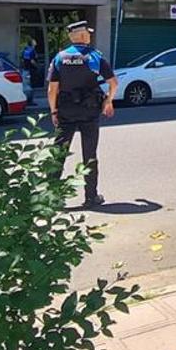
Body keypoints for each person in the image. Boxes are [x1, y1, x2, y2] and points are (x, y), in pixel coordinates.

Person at [48, 20, 118, 209]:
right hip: (89, 112)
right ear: (81, 35)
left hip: (65, 112)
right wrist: (108, 101)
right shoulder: (95, 57)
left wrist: (53, 111)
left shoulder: (60, 58)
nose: (90, 35)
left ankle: (52, 199)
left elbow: (52, 89)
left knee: (58, 155)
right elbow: (113, 83)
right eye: (88, 32)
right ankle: (91, 198)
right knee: (90, 154)